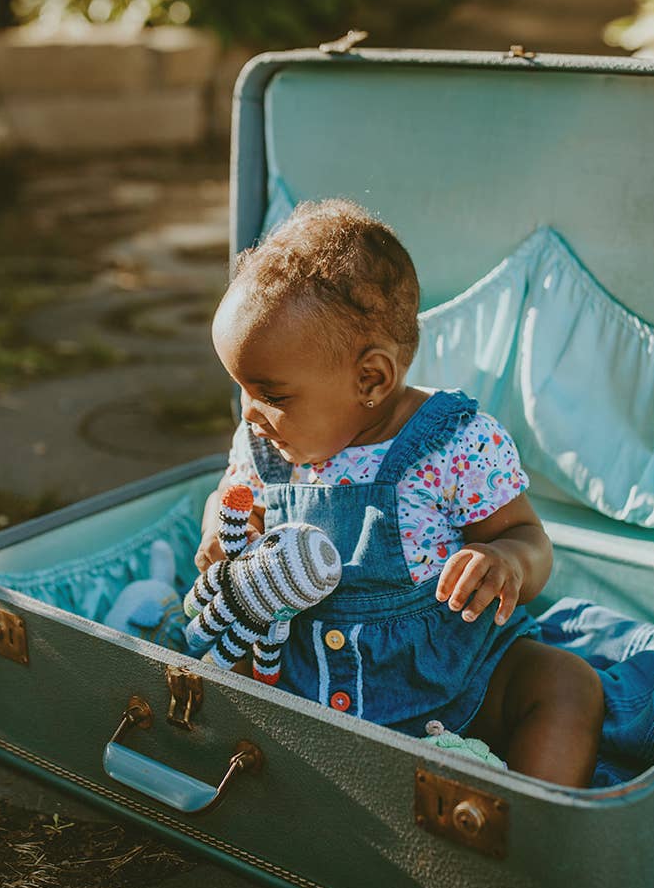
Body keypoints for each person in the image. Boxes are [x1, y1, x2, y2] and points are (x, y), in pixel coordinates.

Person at [195, 199, 603, 787]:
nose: (250, 414)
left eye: (272, 395)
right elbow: (230, 500)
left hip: (452, 674)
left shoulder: (453, 444)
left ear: (372, 379)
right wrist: (219, 531)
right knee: (215, 667)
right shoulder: (265, 445)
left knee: (567, 683)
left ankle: (532, 826)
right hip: (303, 676)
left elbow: (528, 538)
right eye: (240, 389)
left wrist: (505, 561)